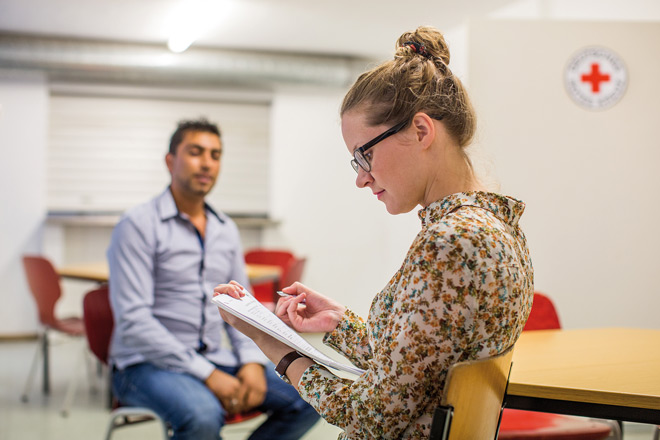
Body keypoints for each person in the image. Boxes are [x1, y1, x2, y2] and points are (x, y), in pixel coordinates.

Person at [214, 26, 534, 440]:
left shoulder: (450, 242)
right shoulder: (496, 227)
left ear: (421, 131)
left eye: (365, 154)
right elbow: (419, 370)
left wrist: (270, 342)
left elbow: (370, 415)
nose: (362, 179)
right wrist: (337, 323)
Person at [106, 118, 319, 440]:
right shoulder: (138, 224)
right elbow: (134, 321)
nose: (207, 162)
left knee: (313, 397)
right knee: (205, 416)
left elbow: (241, 308)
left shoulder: (224, 229)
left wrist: (249, 362)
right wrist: (207, 375)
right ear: (169, 161)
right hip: (145, 364)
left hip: (214, 358)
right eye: (195, 152)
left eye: (215, 155)